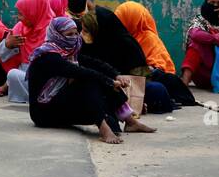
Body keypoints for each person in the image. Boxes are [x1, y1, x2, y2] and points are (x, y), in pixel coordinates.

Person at [27, 16, 153, 144]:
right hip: (44, 113)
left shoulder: (69, 52)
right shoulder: (48, 55)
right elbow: (79, 72)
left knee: (96, 84)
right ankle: (104, 128)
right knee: (87, 81)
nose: (74, 37)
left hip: (59, 104)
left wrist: (115, 75)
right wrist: (109, 82)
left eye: (76, 33)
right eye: (69, 34)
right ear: (56, 35)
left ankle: (130, 121)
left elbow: (94, 63)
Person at [111, 0, 200, 110]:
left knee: (161, 85)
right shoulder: (115, 38)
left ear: (133, 20)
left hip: (148, 77)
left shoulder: (148, 38)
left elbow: (160, 66)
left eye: (122, 18)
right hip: (123, 79)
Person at [0, 0, 63, 101]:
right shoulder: (20, 27)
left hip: (46, 77)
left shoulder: (53, 30)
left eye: (21, 14)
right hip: (25, 74)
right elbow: (2, 55)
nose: (18, 18)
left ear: (33, 12)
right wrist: (8, 45)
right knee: (13, 74)